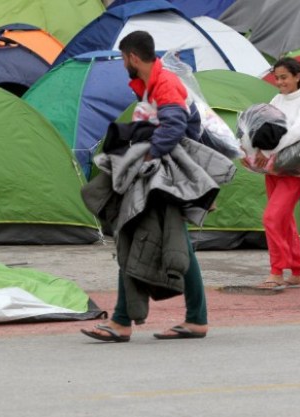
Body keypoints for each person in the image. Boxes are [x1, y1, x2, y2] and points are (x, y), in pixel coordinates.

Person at [80, 30, 208, 342]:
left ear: (133, 57)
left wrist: (148, 156)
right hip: (165, 177)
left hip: (161, 178)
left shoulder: (163, 83)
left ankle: (123, 322)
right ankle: (196, 319)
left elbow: (175, 124)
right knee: (177, 246)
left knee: (133, 237)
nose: (124, 63)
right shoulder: (152, 85)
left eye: (123, 58)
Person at [251, 58, 300, 289]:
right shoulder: (277, 99)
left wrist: (267, 150)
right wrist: (255, 148)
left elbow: (296, 133)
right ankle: (297, 271)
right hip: (274, 168)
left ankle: (276, 270)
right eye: (277, 78)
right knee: (284, 220)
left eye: (284, 77)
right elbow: (262, 125)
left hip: (294, 168)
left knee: (271, 218)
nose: (279, 82)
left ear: (297, 76)